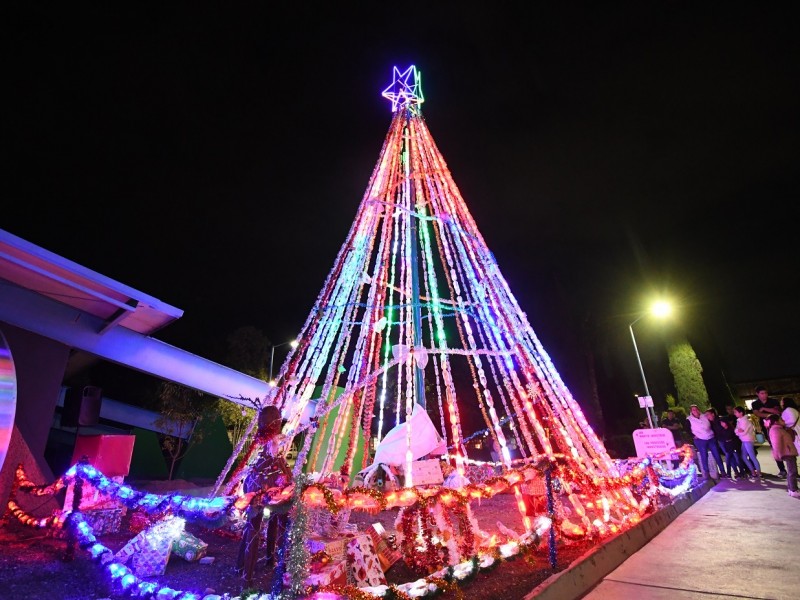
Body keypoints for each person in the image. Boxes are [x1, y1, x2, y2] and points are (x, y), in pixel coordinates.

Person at [751, 385, 787, 478]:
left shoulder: (773, 401)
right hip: (766, 428)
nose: (764, 395)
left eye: (766, 393)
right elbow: (757, 413)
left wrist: (764, 409)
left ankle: (791, 467)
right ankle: (782, 469)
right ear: (757, 394)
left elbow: (777, 411)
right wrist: (771, 413)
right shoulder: (755, 403)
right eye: (762, 393)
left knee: (785, 445)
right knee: (775, 447)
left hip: (778, 426)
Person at [763, 415, 799, 498]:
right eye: (781, 419)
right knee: (792, 472)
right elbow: (776, 443)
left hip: (788, 452)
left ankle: (791, 489)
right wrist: (778, 454)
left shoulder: (778, 429)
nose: (783, 420)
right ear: (776, 421)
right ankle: (793, 490)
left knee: (791, 472)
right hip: (787, 452)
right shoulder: (776, 430)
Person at [687, 404, 724, 479]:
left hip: (710, 437)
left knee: (716, 454)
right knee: (704, 456)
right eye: (693, 410)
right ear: (691, 411)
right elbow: (687, 429)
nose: (695, 411)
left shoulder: (704, 416)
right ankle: (707, 473)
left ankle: (723, 471)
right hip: (700, 439)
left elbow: (711, 422)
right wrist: (693, 436)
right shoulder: (689, 419)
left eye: (696, 409)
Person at [734, 405, 761, 479]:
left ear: (741, 413)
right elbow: (736, 430)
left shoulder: (745, 421)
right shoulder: (739, 421)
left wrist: (738, 431)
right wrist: (738, 431)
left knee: (751, 456)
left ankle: (758, 472)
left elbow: (743, 432)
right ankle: (753, 471)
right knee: (744, 456)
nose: (734, 413)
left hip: (747, 440)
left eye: (736, 412)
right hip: (744, 440)